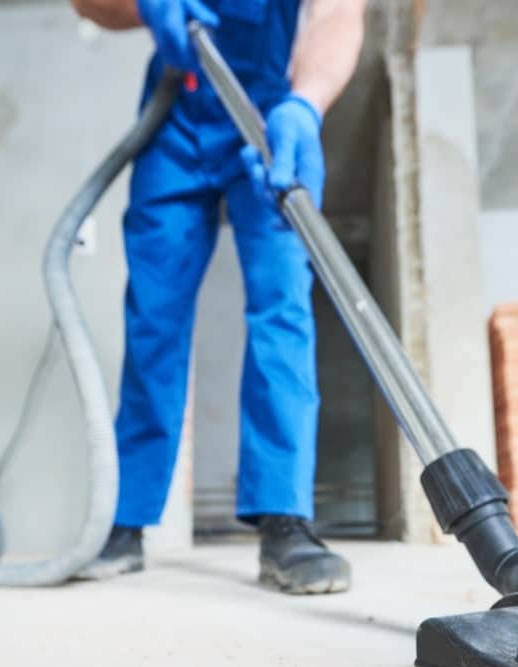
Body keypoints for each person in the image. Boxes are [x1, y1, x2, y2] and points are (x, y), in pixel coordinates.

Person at [71, 0, 366, 594]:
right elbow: (90, 4)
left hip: (267, 113)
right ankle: (125, 519)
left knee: (281, 308)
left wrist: (306, 105)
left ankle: (285, 521)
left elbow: (336, 12)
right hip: (176, 115)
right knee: (153, 317)